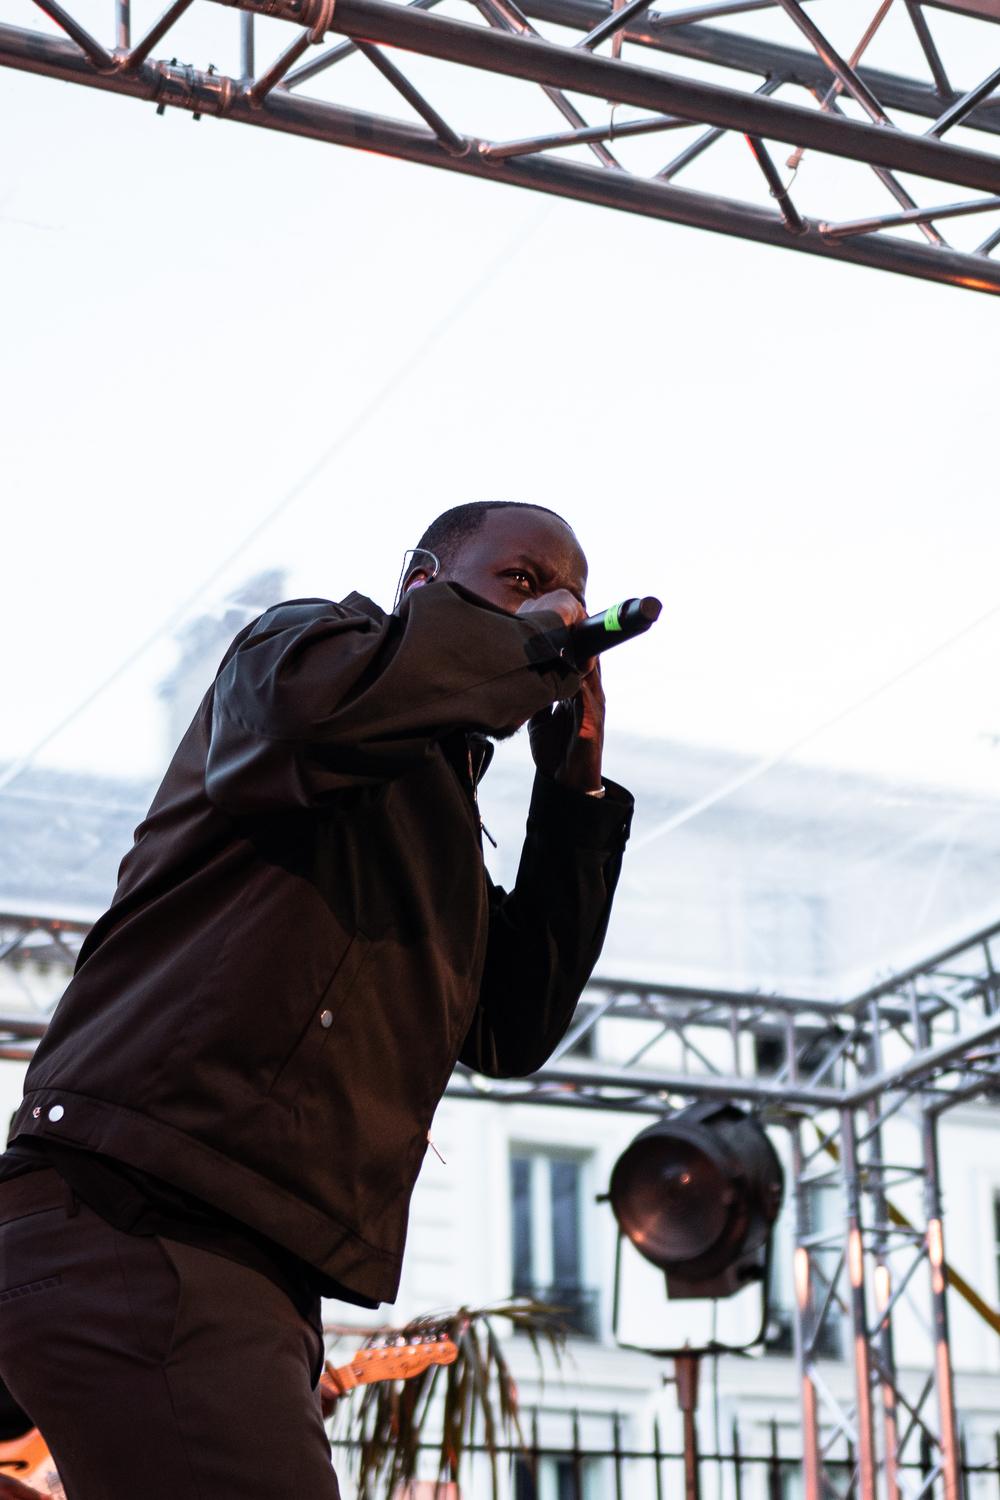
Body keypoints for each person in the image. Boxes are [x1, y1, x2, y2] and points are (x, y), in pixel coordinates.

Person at [0, 501, 633, 1499]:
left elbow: (510, 1026)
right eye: (522, 579)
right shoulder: (303, 647)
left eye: (573, 598)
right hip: (143, 1217)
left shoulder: (441, 833)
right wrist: (516, 644)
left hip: (246, 1256)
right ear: (422, 580)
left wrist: (573, 799)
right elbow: (310, 724)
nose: (560, 610)